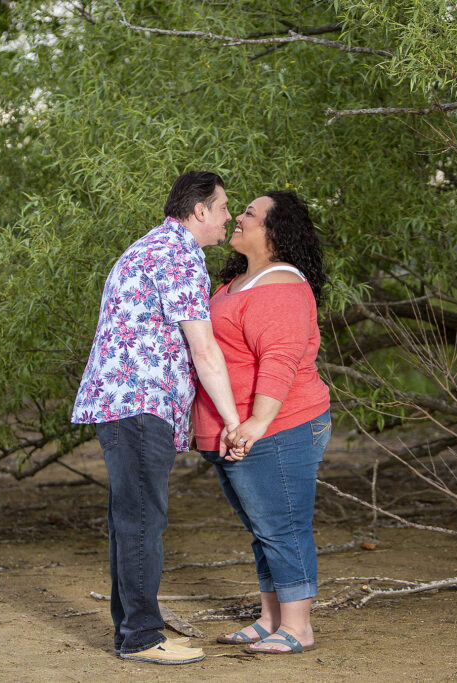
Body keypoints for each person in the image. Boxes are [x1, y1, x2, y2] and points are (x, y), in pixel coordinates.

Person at [71, 171, 243, 665]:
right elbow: (204, 348)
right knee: (142, 517)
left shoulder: (156, 247)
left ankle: (134, 631)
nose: (228, 216)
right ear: (200, 211)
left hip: (130, 405)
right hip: (140, 406)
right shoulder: (178, 253)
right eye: (224, 206)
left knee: (132, 519)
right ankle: (142, 637)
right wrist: (232, 419)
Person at [193, 189, 332, 654]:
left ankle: (299, 627)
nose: (236, 218)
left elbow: (281, 360)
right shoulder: (236, 283)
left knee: (283, 526)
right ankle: (271, 618)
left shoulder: (282, 285)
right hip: (239, 429)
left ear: (274, 231)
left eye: (248, 214)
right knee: (263, 528)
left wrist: (255, 423)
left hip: (279, 425)